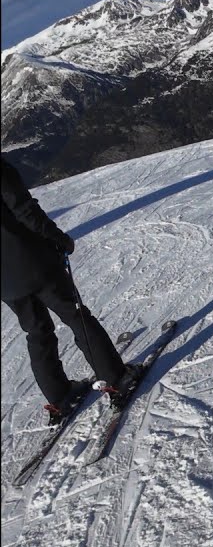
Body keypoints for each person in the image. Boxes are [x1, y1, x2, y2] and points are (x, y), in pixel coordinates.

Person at [1, 156, 136, 423]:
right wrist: (58, 238)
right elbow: (25, 210)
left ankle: (59, 395)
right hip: (34, 262)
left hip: (5, 282)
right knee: (75, 316)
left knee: (36, 331)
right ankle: (116, 378)